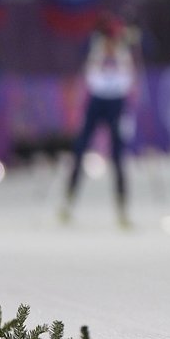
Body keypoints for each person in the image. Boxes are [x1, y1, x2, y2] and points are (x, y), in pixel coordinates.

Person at [59, 12, 136, 227]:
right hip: (96, 102)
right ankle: (68, 202)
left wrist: (132, 36)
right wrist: (98, 36)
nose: (111, 43)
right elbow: (82, 51)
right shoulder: (95, 47)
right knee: (79, 150)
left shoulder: (123, 49)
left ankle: (122, 208)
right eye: (108, 38)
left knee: (118, 157)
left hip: (116, 103)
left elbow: (146, 48)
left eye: (114, 39)